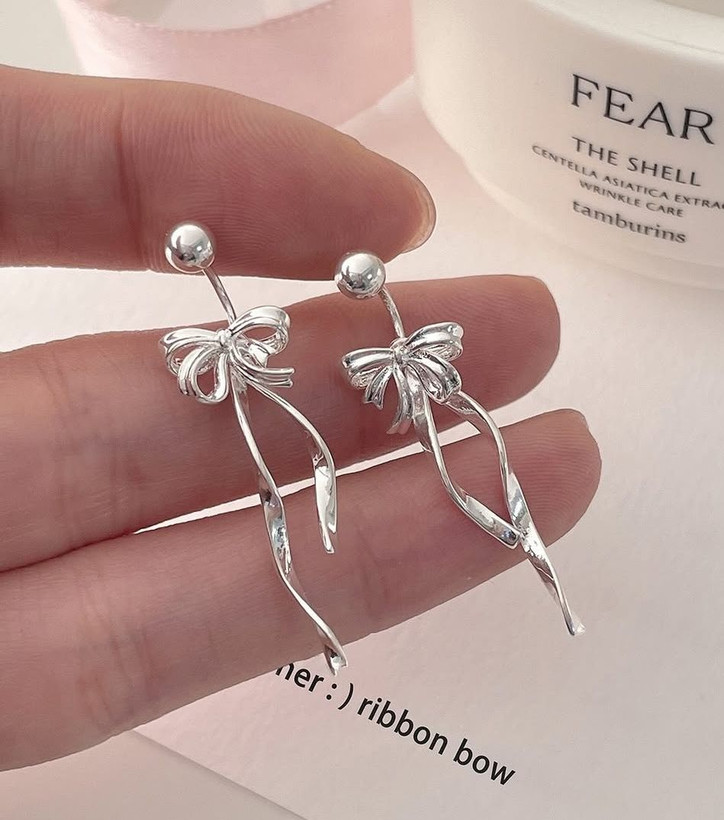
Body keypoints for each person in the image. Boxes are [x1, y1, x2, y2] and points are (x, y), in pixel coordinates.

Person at [0, 64, 600, 770]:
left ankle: (526, 554)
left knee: (458, 443)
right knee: (296, 471)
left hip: (384, 358)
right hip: (279, 368)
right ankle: (335, 600)